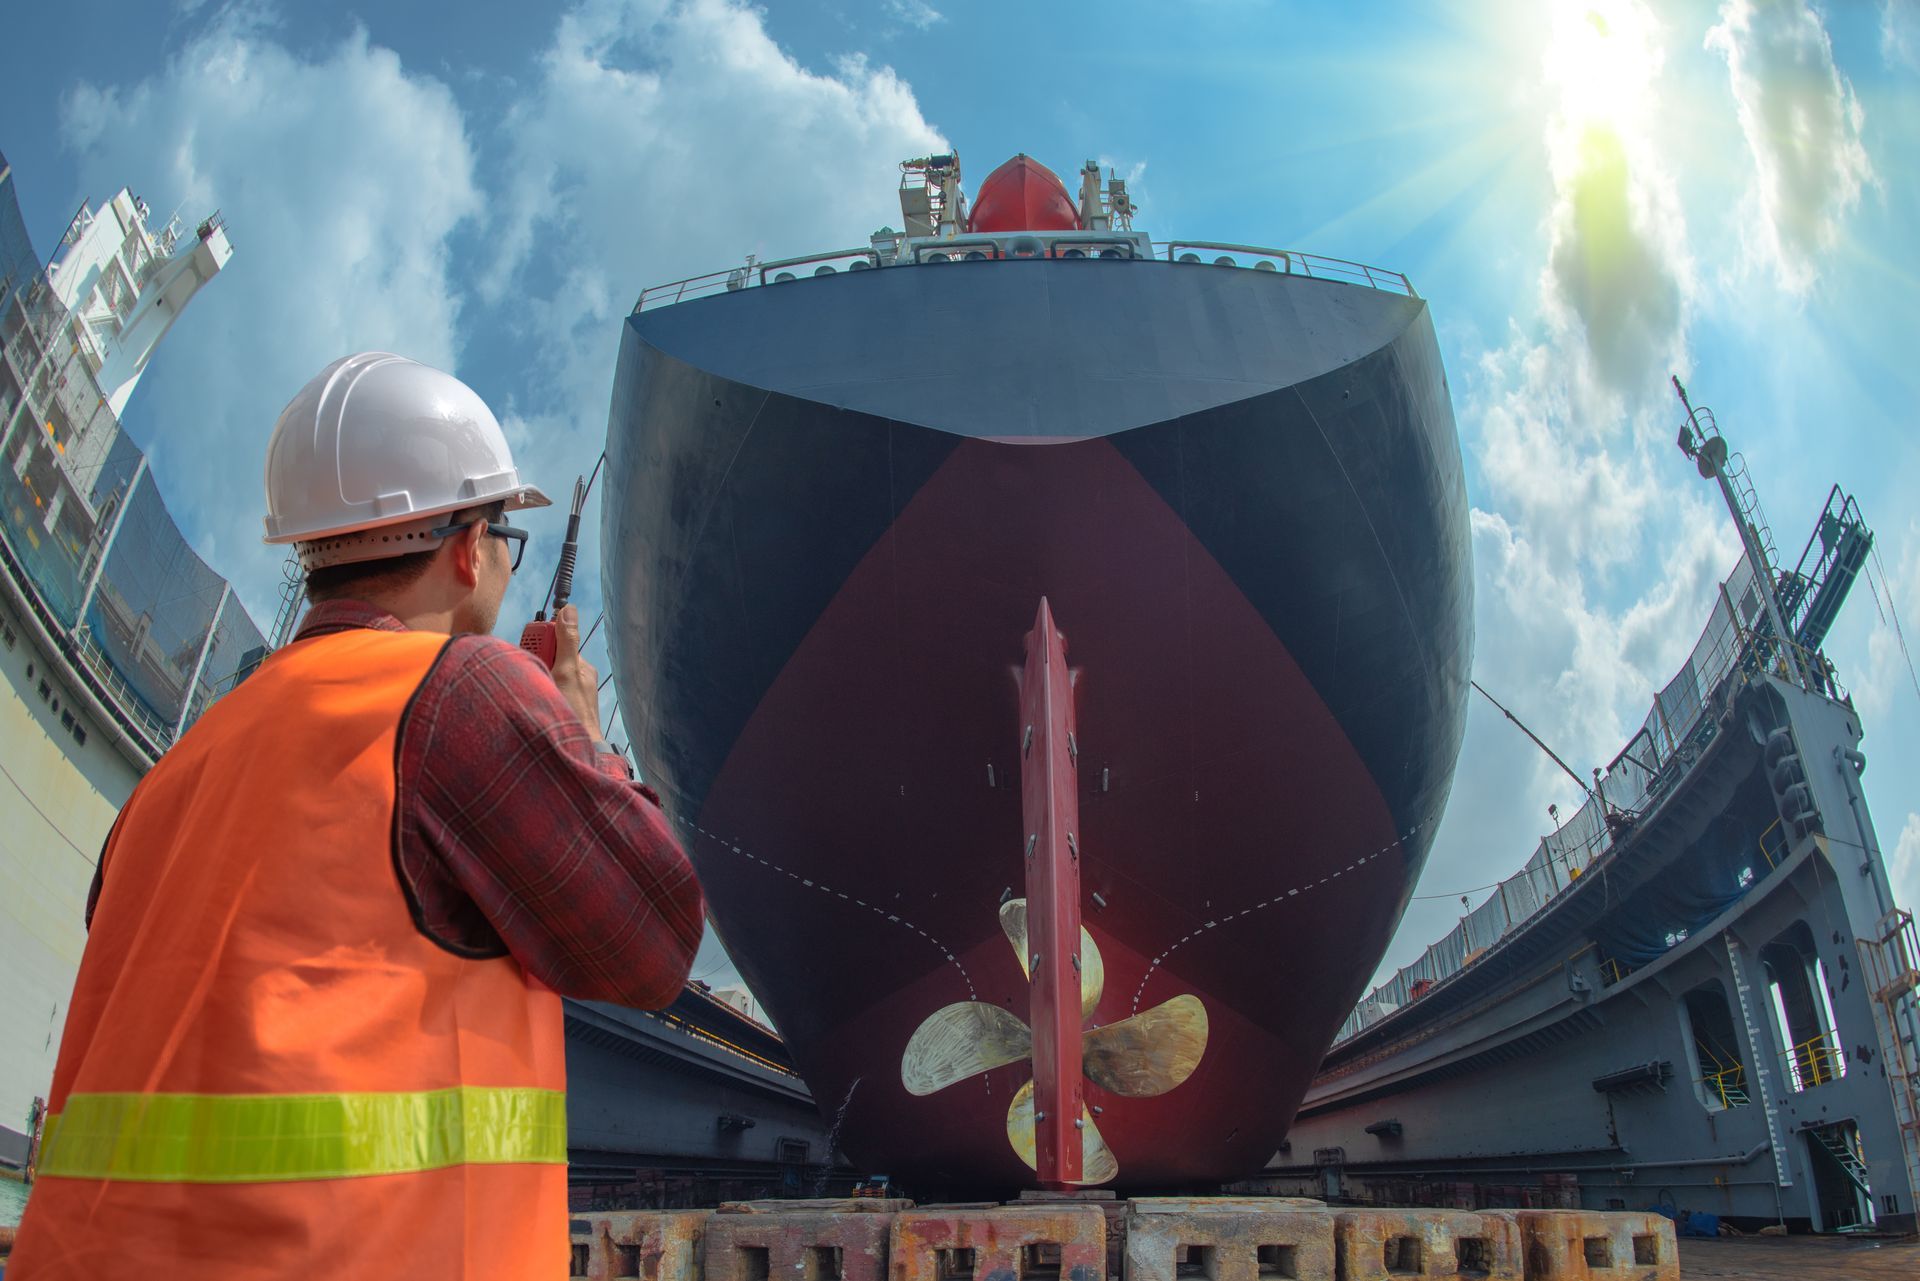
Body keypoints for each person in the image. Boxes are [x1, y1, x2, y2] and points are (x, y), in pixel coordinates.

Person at [9, 352, 704, 1279]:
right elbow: (653, 942)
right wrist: (585, 736)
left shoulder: (177, 774)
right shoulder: (464, 693)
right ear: (467, 547)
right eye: (506, 534)